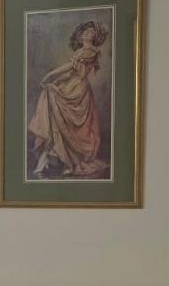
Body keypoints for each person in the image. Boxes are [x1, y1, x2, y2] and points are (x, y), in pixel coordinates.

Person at [28, 19, 109, 178]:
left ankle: (66, 161)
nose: (87, 33)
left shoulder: (91, 51)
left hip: (78, 91)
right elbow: (72, 72)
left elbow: (71, 68)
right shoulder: (80, 52)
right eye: (86, 31)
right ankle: (50, 161)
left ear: (95, 36)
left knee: (66, 122)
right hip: (71, 85)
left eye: (92, 32)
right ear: (81, 34)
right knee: (53, 106)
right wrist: (57, 81)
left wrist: (51, 75)